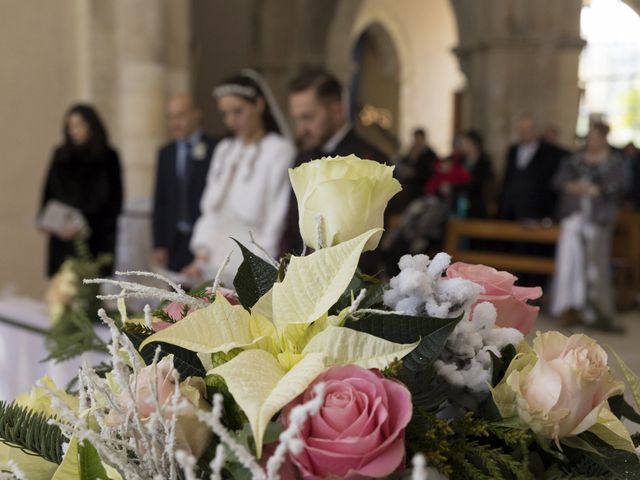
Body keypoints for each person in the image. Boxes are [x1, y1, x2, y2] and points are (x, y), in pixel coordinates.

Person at [185, 70, 296, 285]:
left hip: (252, 257)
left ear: (259, 105)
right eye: (225, 113)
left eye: (238, 111)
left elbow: (276, 216)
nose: (231, 120)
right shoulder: (224, 149)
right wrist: (200, 257)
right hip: (213, 259)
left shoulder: (279, 150)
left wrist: (258, 270)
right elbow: (211, 211)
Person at [284, 68, 388, 260]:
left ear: (336, 109)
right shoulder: (302, 156)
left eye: (308, 117)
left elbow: (371, 242)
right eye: (296, 119)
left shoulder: (369, 160)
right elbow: (291, 225)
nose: (301, 129)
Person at [550, 123, 626, 329]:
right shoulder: (575, 159)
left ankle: (596, 311)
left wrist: (597, 190)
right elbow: (558, 180)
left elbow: (621, 184)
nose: (592, 141)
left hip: (598, 218)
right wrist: (574, 186)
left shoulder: (614, 161)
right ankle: (568, 307)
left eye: (596, 137)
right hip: (574, 217)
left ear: (604, 138)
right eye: (589, 137)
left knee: (596, 265)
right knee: (570, 262)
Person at [40, 104, 122, 277]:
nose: (74, 131)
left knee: (91, 292)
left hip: (96, 240)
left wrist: (85, 224)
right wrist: (51, 223)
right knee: (64, 291)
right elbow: (48, 194)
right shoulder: (61, 155)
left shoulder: (108, 157)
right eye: (70, 126)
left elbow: (114, 202)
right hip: (62, 239)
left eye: (79, 125)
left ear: (91, 126)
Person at [152, 94, 216, 273]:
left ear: (196, 115)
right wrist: (159, 243)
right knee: (174, 297)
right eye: (170, 117)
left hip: (204, 240)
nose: (175, 123)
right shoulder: (166, 153)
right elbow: (160, 200)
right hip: (174, 240)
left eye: (180, 116)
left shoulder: (215, 148)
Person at [499, 114, 563, 221]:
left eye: (528, 129)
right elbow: (507, 178)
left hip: (535, 208)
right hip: (512, 208)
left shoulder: (547, 151)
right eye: (522, 129)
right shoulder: (512, 150)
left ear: (535, 130)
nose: (524, 132)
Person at [391, 128, 437, 213]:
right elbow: (404, 163)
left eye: (418, 138)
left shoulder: (430, 154)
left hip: (422, 188)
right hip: (410, 188)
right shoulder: (412, 152)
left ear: (423, 139)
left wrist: (414, 172)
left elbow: (428, 172)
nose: (416, 141)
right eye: (415, 139)